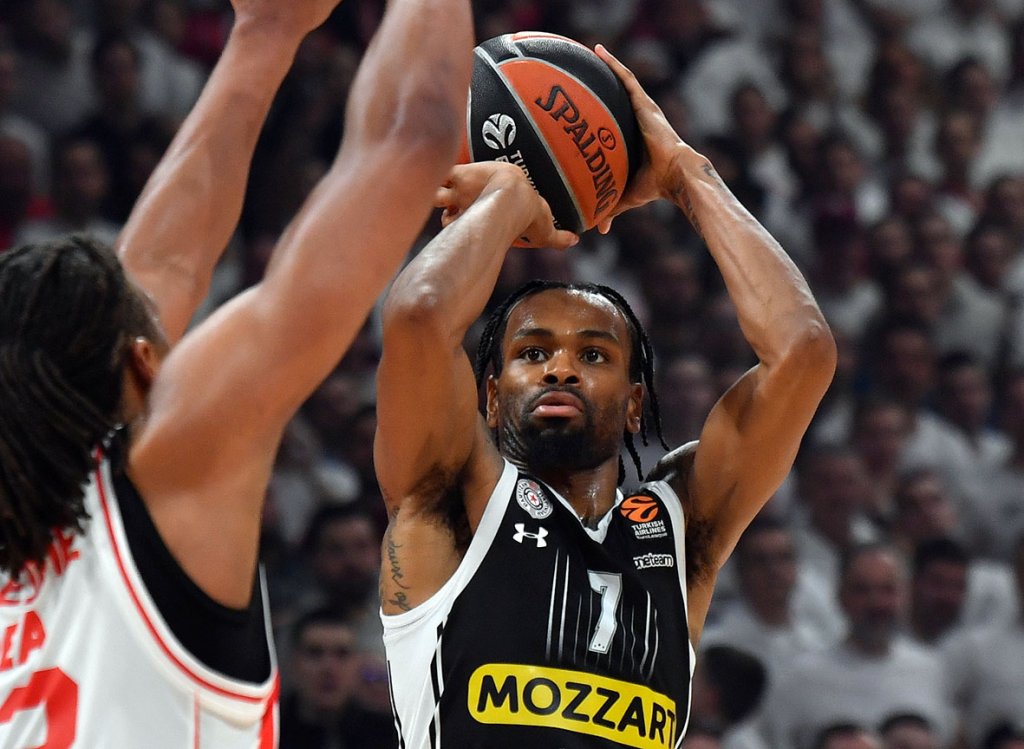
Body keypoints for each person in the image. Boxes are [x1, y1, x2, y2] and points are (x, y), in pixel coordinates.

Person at [0, 0, 472, 745]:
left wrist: (264, 34)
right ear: (142, 359)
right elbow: (411, 142)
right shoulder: (170, 472)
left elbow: (164, 264)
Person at [374, 45, 836, 747]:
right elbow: (417, 318)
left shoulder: (681, 529)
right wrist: (507, 197)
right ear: (490, 398)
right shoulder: (449, 502)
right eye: (533, 353)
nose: (560, 369)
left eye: (593, 355)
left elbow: (804, 352)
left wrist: (686, 173)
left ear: (634, 403)